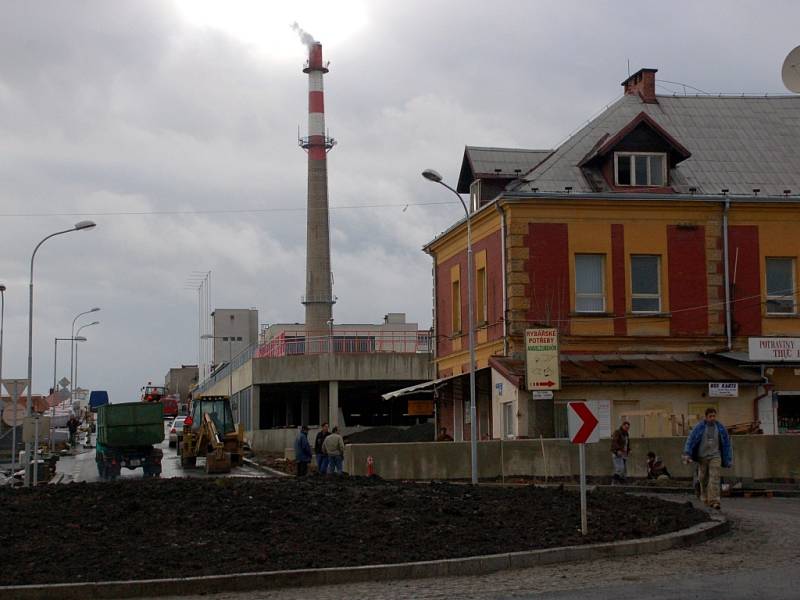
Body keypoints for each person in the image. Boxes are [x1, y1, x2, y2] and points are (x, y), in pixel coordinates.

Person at [683, 407, 732, 510]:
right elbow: (690, 440)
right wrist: (687, 453)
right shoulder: (699, 427)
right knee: (703, 478)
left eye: (714, 416)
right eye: (710, 416)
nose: (712, 418)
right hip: (702, 456)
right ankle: (704, 496)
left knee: (715, 477)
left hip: (715, 455)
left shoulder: (720, 428)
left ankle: (715, 501)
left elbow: (727, 444)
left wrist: (728, 459)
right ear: (706, 417)